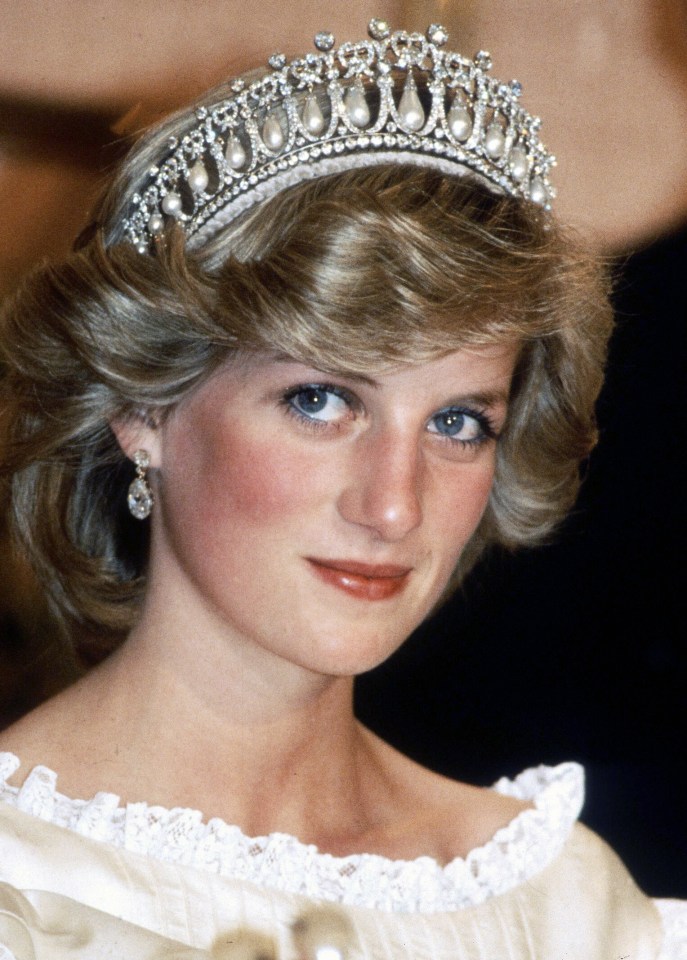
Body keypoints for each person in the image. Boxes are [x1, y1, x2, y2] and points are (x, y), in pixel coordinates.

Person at [0, 19, 684, 960]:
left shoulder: (570, 906)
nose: (394, 507)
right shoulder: (25, 888)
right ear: (143, 410)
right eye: (320, 401)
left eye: (457, 423)